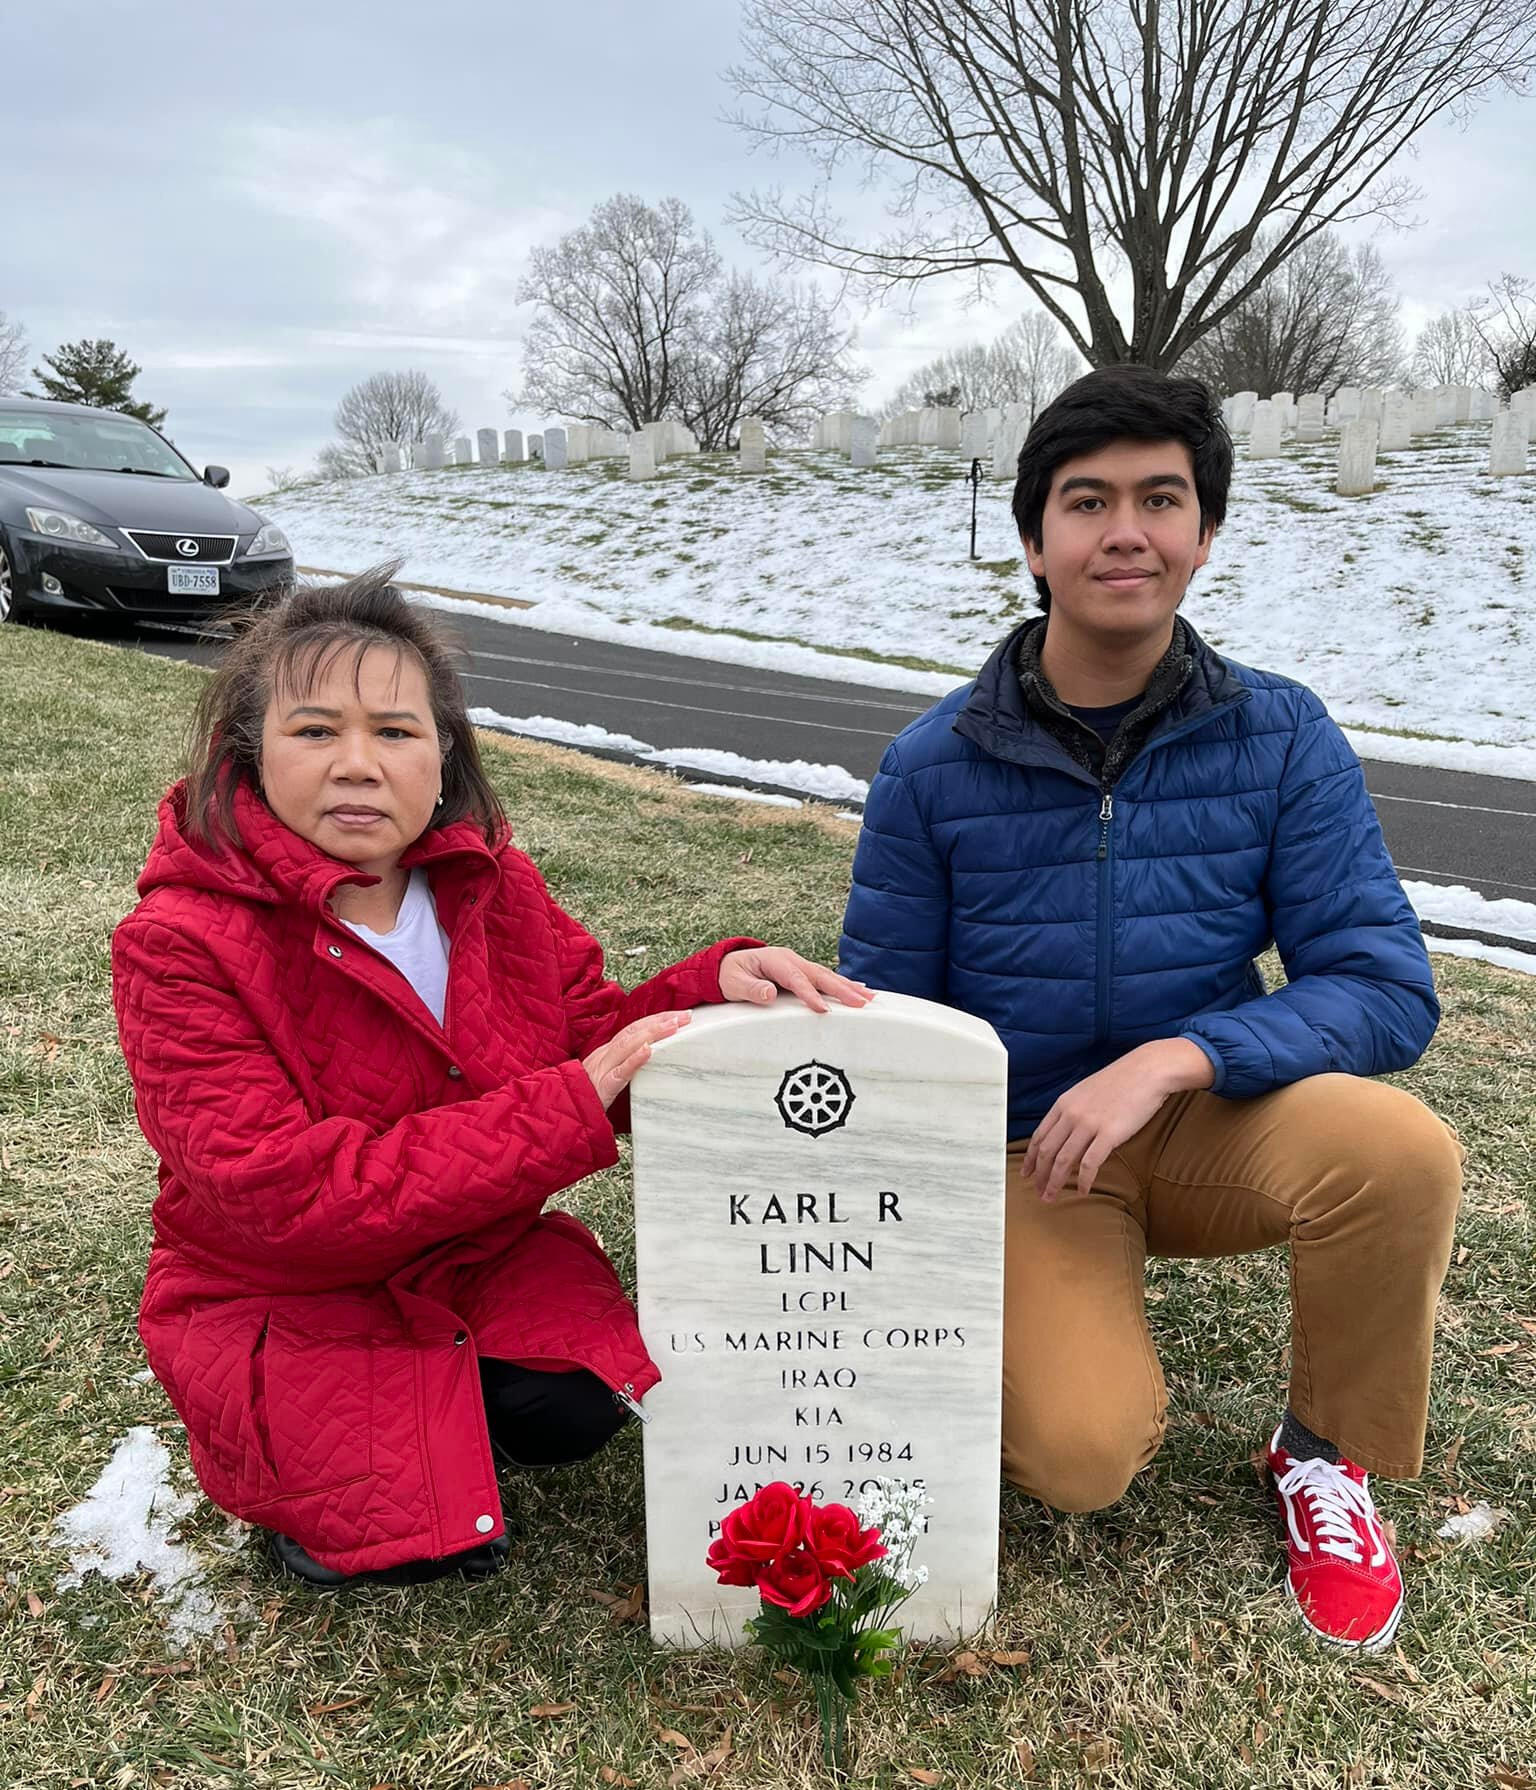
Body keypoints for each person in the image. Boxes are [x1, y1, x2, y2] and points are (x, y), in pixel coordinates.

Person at [839, 367, 1465, 1653]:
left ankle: (1322, 1453)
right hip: (1031, 1153)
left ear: (1204, 534)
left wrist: (1188, 1053)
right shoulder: (931, 763)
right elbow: (888, 1020)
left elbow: (1387, 986)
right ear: (1033, 540)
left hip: (1207, 1117)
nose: (1125, 529)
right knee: (1079, 1456)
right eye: (1087, 500)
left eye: (1160, 498)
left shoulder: (1281, 735)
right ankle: (1022, 1328)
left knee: (1402, 1150)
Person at [113, 570, 868, 1589]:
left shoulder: (490, 882)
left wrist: (711, 995)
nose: (358, 765)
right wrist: (563, 1104)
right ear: (246, 752)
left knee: (573, 1404)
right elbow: (280, 1194)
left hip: (474, 1250)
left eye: (394, 730)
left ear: (444, 753)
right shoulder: (177, 942)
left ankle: (450, 1398)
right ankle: (362, 1437)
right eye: (315, 731)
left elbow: (589, 1034)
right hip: (286, 1288)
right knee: (406, 1538)